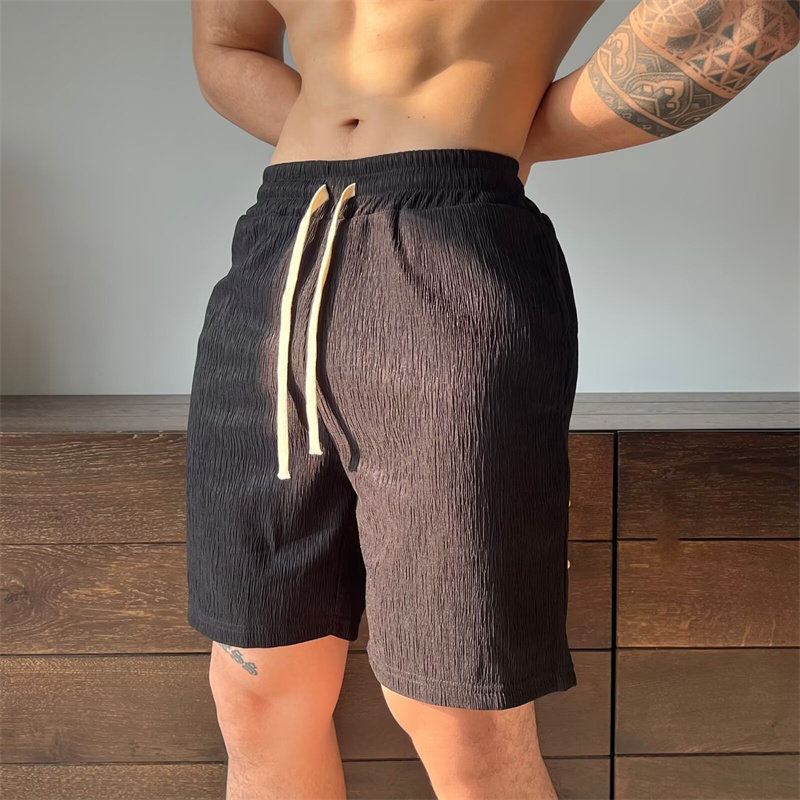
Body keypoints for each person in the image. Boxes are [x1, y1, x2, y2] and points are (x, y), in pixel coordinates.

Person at [184, 1, 799, 798]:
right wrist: (357, 141)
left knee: (458, 712)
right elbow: (227, 44)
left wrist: (503, 134)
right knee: (256, 683)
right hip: (281, 249)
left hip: (451, 240)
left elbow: (748, 10)